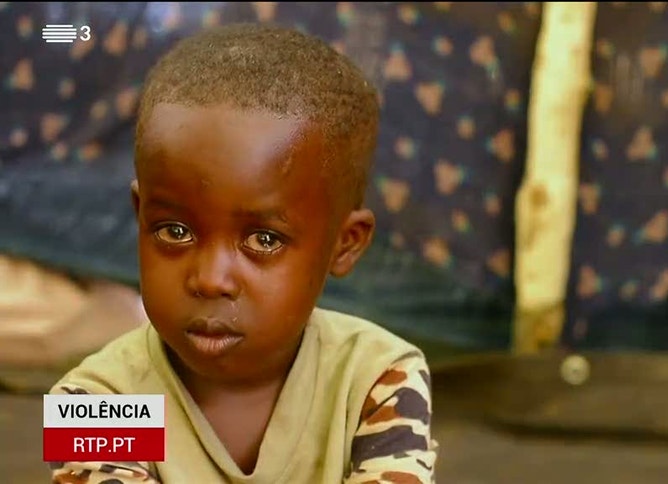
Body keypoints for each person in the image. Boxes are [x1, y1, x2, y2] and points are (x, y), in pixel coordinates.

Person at [47, 23, 437, 483]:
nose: (211, 279)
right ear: (141, 215)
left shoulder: (375, 378)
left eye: (264, 240)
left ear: (344, 243)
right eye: (175, 231)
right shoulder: (97, 401)